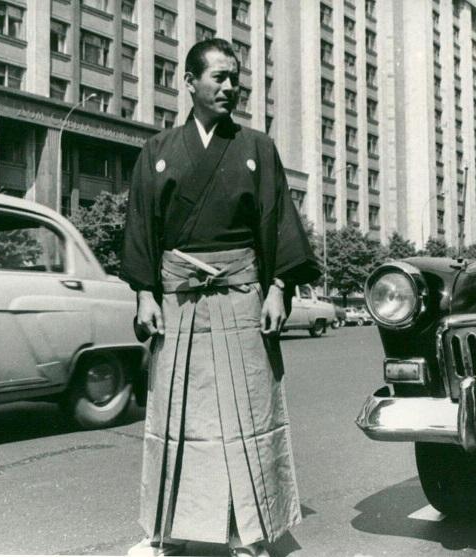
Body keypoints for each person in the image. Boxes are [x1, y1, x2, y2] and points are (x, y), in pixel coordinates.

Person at [121, 38, 320, 557]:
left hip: (241, 293)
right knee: (176, 414)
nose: (231, 87)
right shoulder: (158, 151)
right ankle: (167, 532)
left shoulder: (257, 148)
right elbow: (142, 226)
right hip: (178, 297)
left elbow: (277, 220)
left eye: (236, 78)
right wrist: (144, 293)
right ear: (189, 82)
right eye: (219, 77)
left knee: (246, 413)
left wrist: (279, 288)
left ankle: (247, 534)